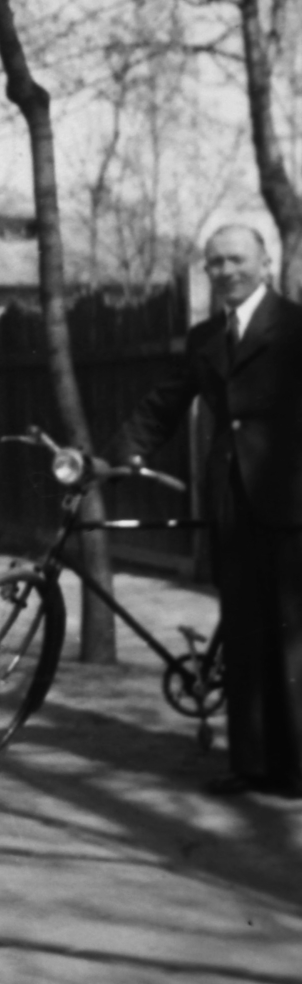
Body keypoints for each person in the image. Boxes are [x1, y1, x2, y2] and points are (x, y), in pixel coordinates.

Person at [112, 223, 302, 798]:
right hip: (231, 503)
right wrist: (124, 452)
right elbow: (166, 402)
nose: (226, 271)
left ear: (265, 262)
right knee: (243, 633)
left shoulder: (296, 326)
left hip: (293, 503)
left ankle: (295, 770)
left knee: (293, 636)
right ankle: (251, 765)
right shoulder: (204, 339)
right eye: (215, 263)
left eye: (237, 260)